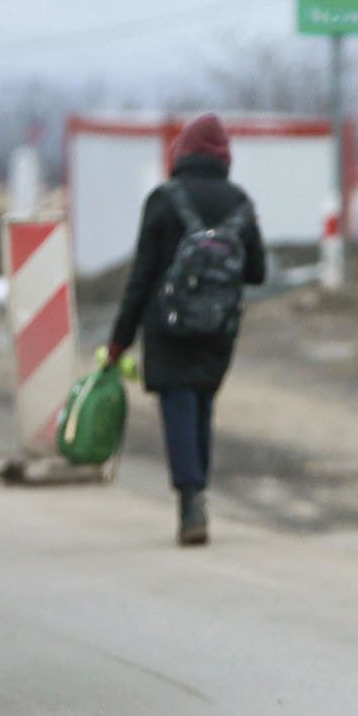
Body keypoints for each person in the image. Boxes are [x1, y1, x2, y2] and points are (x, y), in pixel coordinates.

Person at [106, 113, 266, 546]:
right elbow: (256, 272)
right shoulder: (240, 202)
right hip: (218, 326)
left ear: (182, 154)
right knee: (201, 406)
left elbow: (141, 276)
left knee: (178, 404)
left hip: (168, 324)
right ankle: (199, 494)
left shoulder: (164, 199)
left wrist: (119, 340)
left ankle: (190, 501)